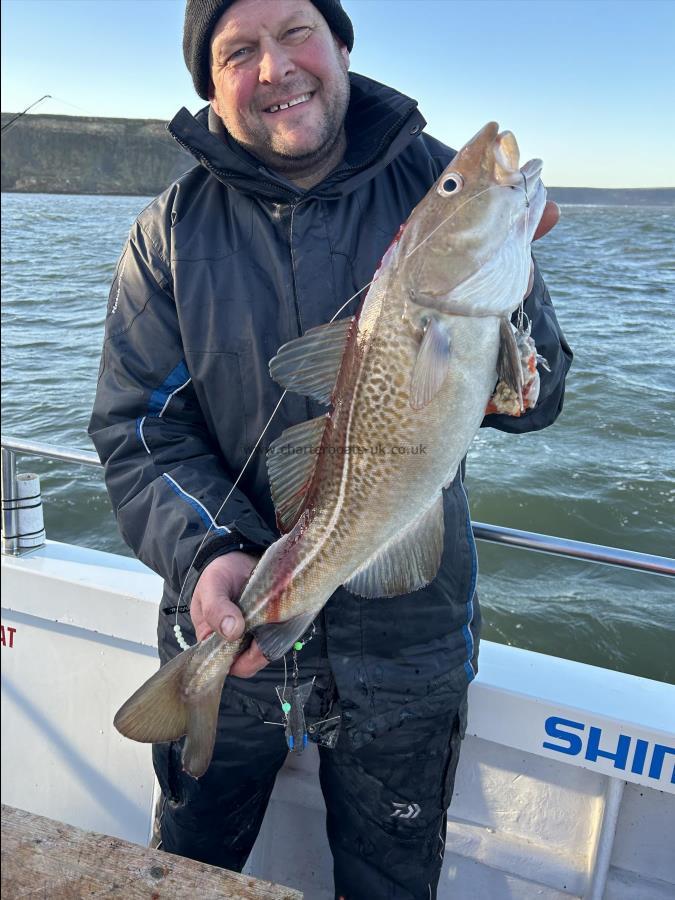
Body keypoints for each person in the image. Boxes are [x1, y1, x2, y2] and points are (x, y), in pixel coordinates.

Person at [89, 0, 572, 896]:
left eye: (295, 32)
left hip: (408, 646)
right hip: (226, 630)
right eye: (239, 51)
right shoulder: (169, 229)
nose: (274, 68)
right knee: (187, 871)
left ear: (341, 44)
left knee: (389, 884)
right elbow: (136, 428)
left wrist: (511, 301)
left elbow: (531, 405)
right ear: (209, 82)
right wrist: (210, 558)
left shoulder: (431, 185)